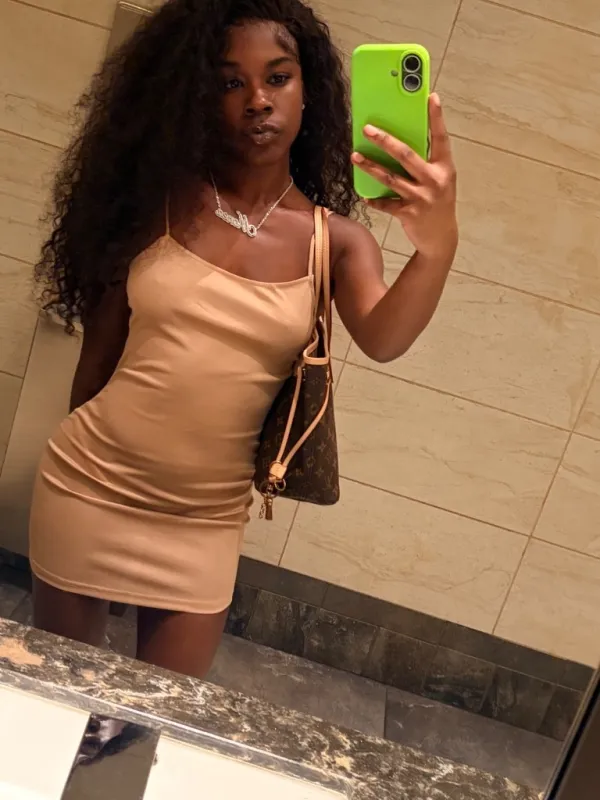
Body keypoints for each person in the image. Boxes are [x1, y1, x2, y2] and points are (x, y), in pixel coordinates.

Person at [30, 0, 458, 679]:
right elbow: (96, 366)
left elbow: (384, 337)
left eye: (278, 77)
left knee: (149, 724)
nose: (258, 100)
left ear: (309, 90)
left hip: (203, 525)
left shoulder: (335, 243)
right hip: (89, 489)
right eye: (231, 82)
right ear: (198, 97)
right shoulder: (158, 202)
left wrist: (437, 246)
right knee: (59, 695)